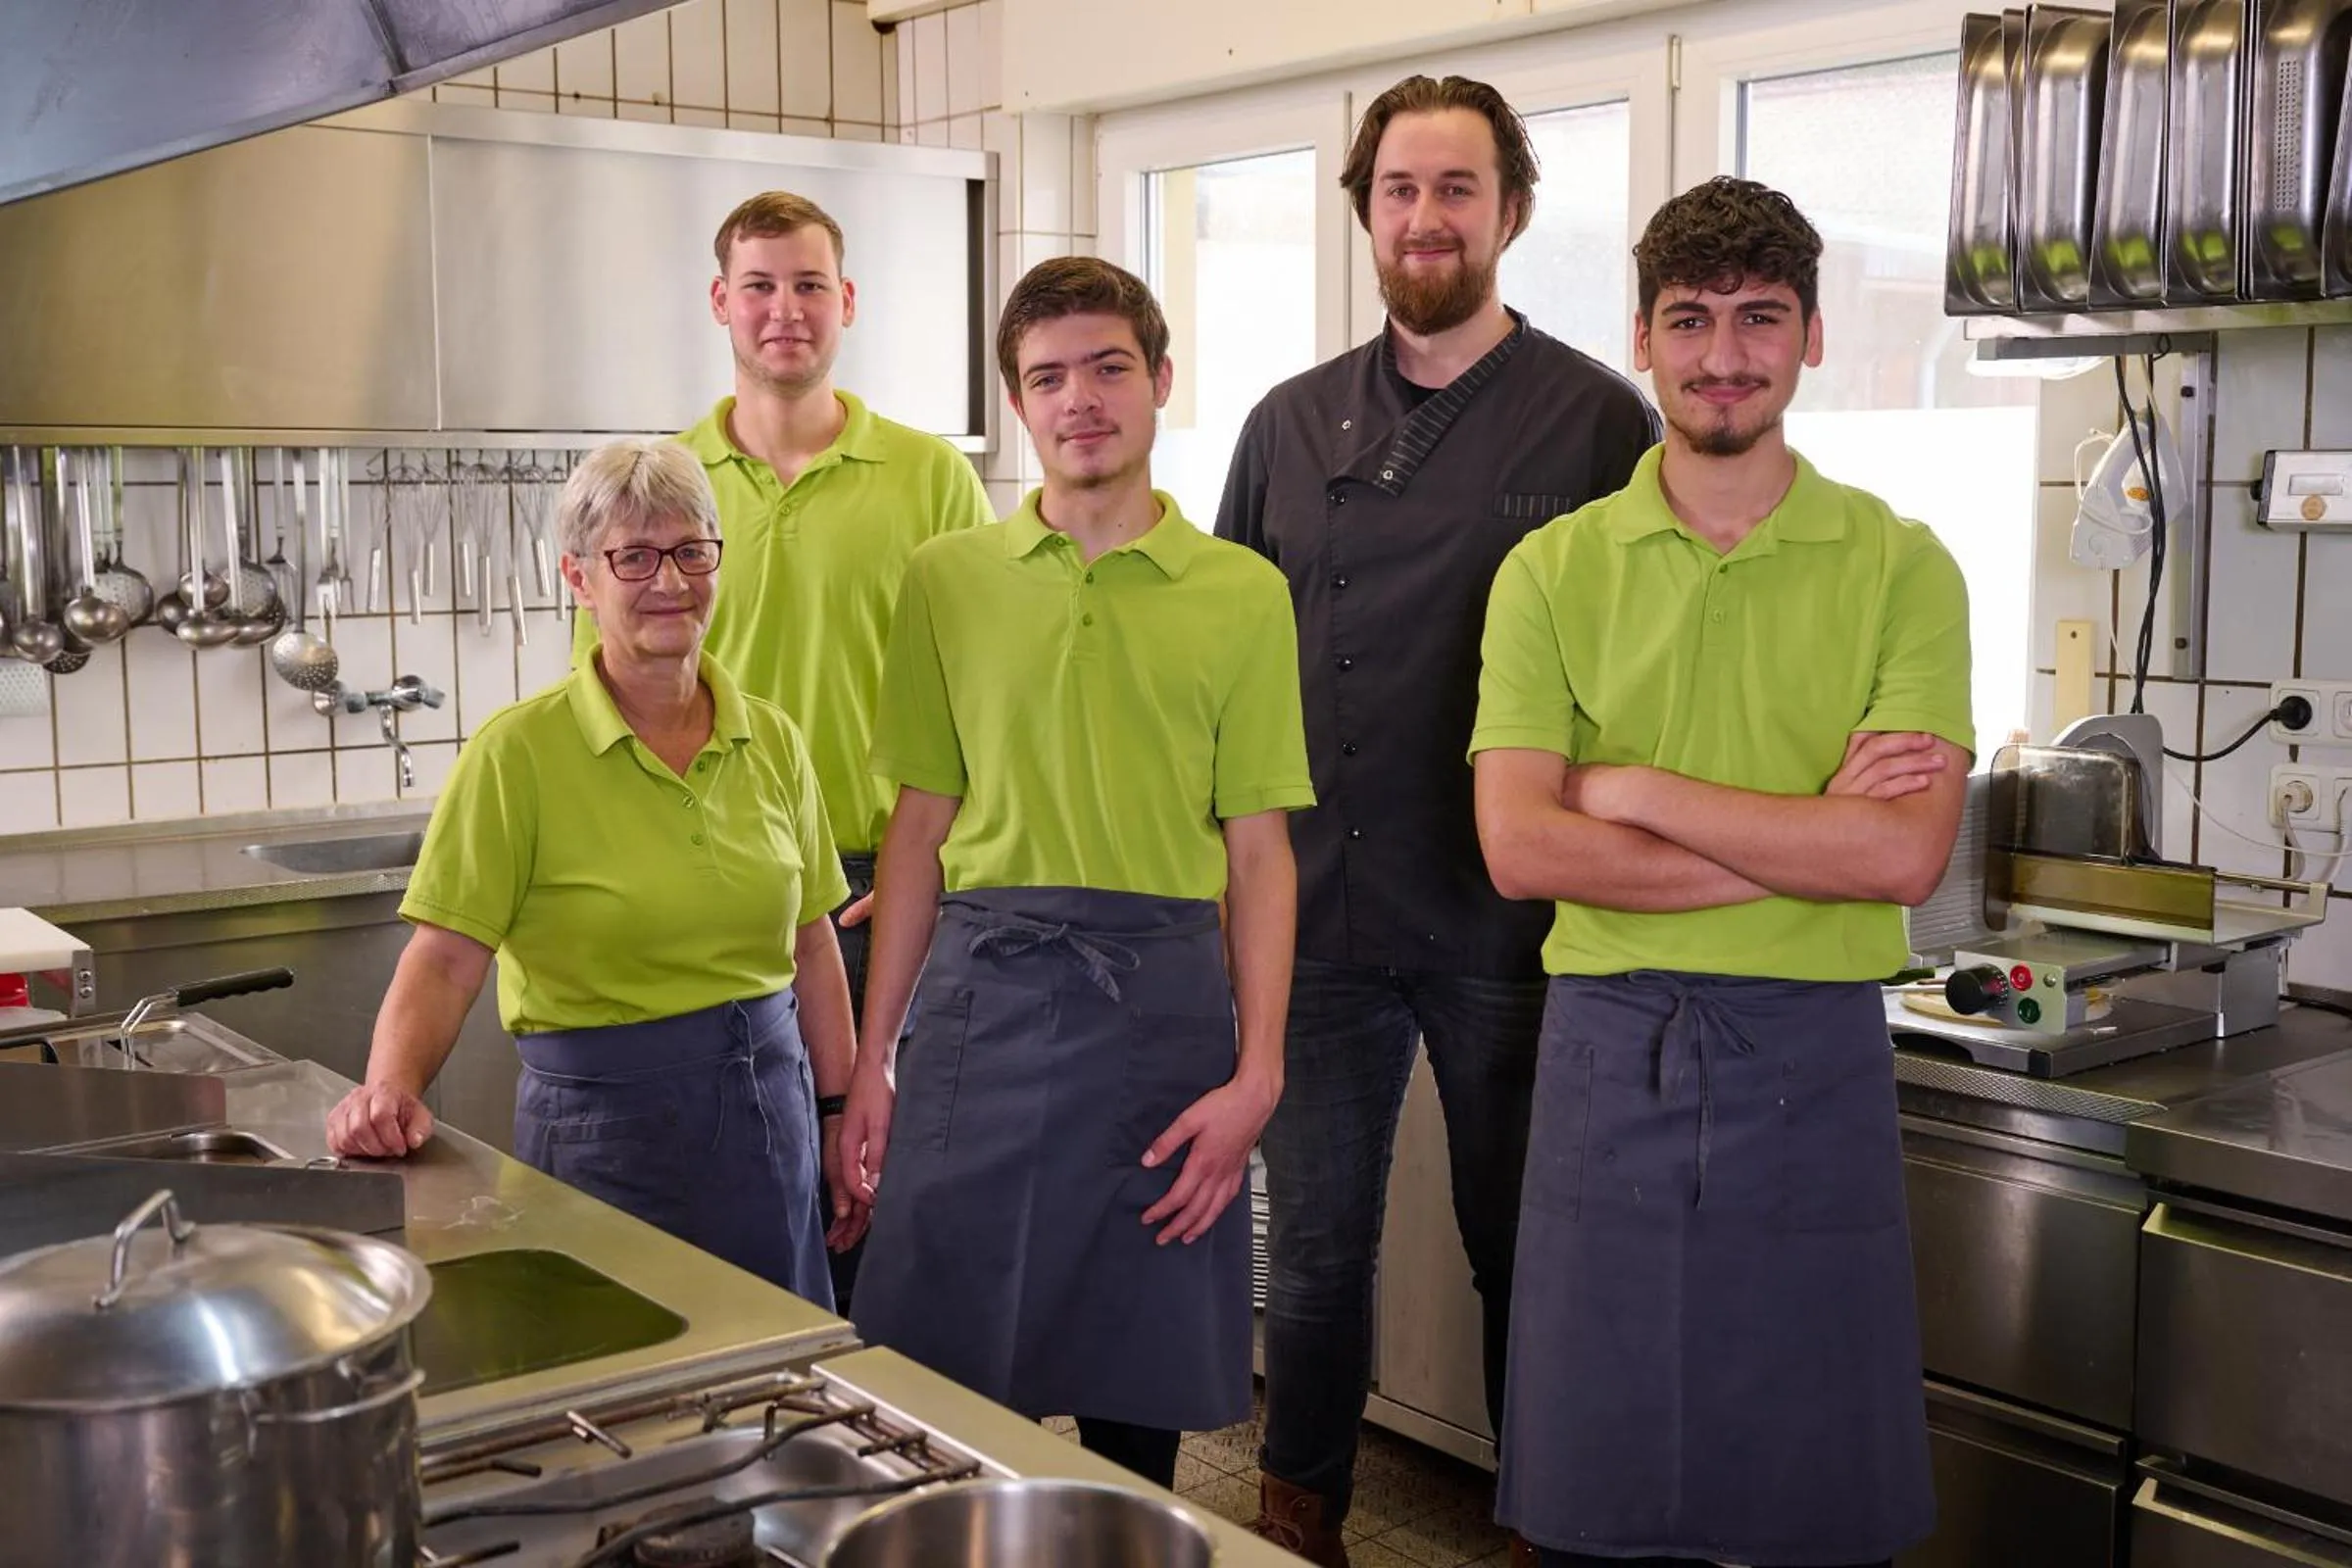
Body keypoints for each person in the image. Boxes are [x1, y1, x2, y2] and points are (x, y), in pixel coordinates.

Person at [1469, 176, 1972, 1567]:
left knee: (1812, 1505)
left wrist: (1637, 796)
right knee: (1593, 1504)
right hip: (1608, 1053)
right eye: (1690, 319)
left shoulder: (1902, 568)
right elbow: (1520, 849)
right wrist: (1812, 844)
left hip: (1815, 1071)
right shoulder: (1551, 573)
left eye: (1761, 318)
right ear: (1641, 338)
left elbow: (1907, 854)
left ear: (1812, 337)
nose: (1724, 354)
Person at [1214, 73, 1658, 1562]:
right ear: (1365, 213)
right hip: (1322, 907)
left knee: (1530, 1250)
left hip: (1513, 915)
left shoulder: (1600, 418)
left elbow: (1651, 657)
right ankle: (1298, 1522)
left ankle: (1553, 1524)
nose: (1427, 217)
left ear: (1512, 212)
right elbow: (1221, 661)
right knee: (1320, 1259)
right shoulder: (1286, 422)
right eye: (1400, 189)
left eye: (1458, 188)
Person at [840, 257, 1314, 1491]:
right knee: (934, 1392)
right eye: (1046, 377)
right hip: (974, 1013)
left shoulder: (1245, 594)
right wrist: (873, 1065)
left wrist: (1258, 1072)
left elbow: (1259, 854)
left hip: (1161, 1021)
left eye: (1108, 368)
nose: (1079, 399)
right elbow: (917, 833)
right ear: (1018, 404)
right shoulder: (947, 580)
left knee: (1134, 1382)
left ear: (1161, 381)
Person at [574, 190, 993, 1307]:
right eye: (759, 285)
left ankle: (877, 1444)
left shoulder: (931, 477)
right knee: (736, 1210)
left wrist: (940, 870)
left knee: (887, 1198)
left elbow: (982, 698)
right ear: (721, 302)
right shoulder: (663, 488)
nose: (784, 310)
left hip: (872, 895)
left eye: (809, 284)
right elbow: (600, 696)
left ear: (846, 301)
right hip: (717, 893)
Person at [330, 437, 862, 1306]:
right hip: (604, 1138)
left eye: (693, 550)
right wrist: (388, 1089)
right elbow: (445, 956)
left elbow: (811, 943)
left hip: (770, 1126)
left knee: (772, 1378)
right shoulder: (518, 753)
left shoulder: (771, 738)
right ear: (580, 578)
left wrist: (838, 1112)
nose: (671, 581)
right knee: (617, 1390)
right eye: (635, 557)